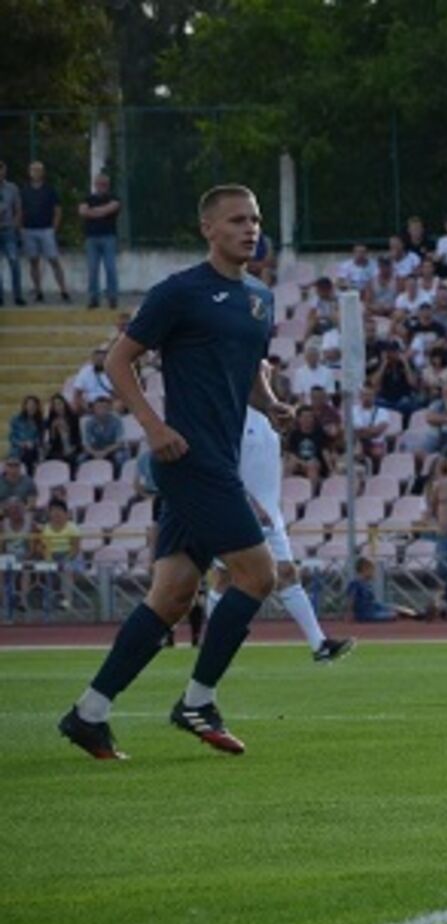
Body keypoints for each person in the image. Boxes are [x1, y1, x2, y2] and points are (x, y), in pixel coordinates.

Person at [58, 184, 288, 760]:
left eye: (255, 219)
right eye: (237, 220)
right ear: (208, 228)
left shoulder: (260, 297)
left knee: (172, 597)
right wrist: (153, 426)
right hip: (189, 459)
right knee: (258, 576)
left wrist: (269, 403)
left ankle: (88, 713)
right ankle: (197, 702)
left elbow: (249, 368)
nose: (250, 229)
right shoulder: (180, 292)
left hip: (219, 457)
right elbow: (119, 360)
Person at [202, 406, 355, 661]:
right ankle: (213, 643)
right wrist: (250, 503)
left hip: (270, 514)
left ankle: (320, 645)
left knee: (287, 573)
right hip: (238, 510)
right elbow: (222, 468)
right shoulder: (229, 413)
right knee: (225, 578)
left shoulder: (268, 416)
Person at [19, 162, 71, 303]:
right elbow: (19, 210)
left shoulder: (50, 190)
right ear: (29, 172)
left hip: (46, 229)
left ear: (43, 172)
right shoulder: (24, 190)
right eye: (33, 170)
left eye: (38, 170)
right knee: (33, 261)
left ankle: (64, 290)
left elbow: (57, 210)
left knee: (54, 260)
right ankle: (38, 291)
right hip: (29, 230)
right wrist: (20, 228)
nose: (36, 172)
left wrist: (54, 228)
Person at [80, 173, 122, 310]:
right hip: (91, 238)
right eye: (99, 184)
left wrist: (93, 211)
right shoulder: (88, 198)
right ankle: (93, 298)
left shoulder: (114, 198)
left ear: (108, 185)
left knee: (110, 268)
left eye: (104, 184)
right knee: (92, 269)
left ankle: (112, 297)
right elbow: (82, 212)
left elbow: (110, 209)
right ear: (95, 184)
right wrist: (100, 211)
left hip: (109, 237)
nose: (102, 186)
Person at [0, 160, 22, 306]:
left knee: (14, 262)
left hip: (8, 230)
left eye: (1, 169)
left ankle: (17, 296)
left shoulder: (12, 188)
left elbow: (18, 209)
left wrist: (15, 225)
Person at [9, 398, 43, 468]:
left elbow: (40, 438)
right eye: (29, 405)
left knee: (30, 454)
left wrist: (32, 443)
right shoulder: (17, 419)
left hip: (33, 450)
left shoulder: (40, 421)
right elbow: (12, 437)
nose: (31, 407)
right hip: (18, 449)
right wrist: (21, 443)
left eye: (34, 405)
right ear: (25, 406)